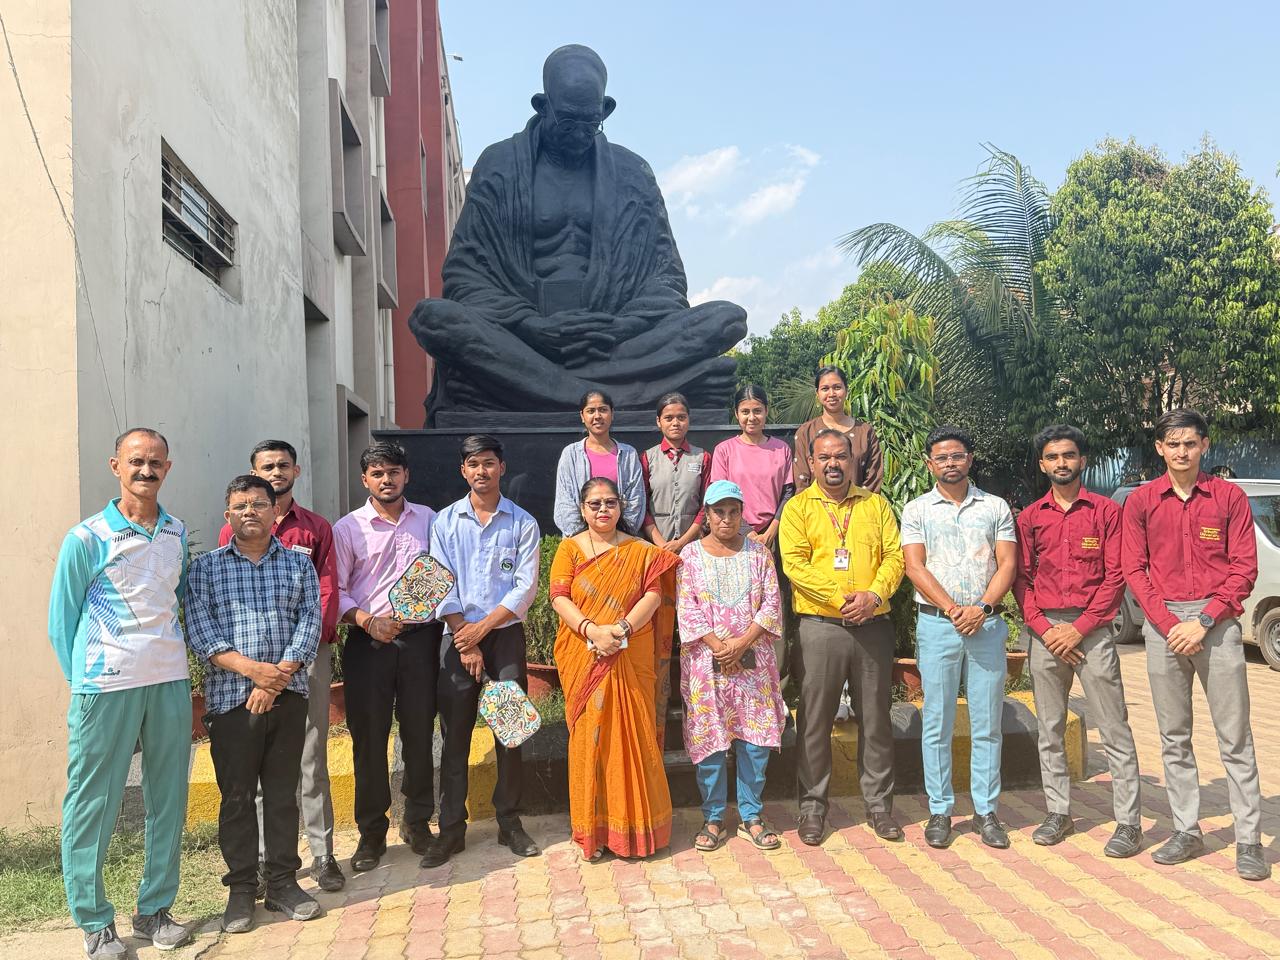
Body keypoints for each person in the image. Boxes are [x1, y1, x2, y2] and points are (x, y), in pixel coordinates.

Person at [407, 43, 746, 418]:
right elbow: (464, 275)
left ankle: (540, 390)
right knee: (433, 318)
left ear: (605, 109)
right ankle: (611, 397)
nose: (579, 134)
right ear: (541, 105)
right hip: (524, 337)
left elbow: (666, 279)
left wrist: (617, 328)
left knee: (728, 318)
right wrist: (532, 325)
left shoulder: (633, 173)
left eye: (591, 123)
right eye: (568, 122)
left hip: (614, 341)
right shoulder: (499, 165)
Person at [48, 428, 193, 958]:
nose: (146, 470)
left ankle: (155, 910)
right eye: (136, 461)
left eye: (156, 462)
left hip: (169, 681)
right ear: (116, 466)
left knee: (169, 799)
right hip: (105, 687)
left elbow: (172, 600)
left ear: (167, 468)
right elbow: (61, 622)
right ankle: (94, 921)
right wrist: (84, 681)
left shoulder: (177, 532)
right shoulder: (85, 538)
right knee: (93, 802)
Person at [1121, 408, 1267, 881]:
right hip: (1164, 625)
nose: (1181, 451)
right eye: (1172, 443)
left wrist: (1202, 621)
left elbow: (1244, 567)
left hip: (1217, 623)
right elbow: (1134, 569)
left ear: (1204, 445)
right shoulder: (1142, 501)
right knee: (1174, 735)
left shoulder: (1228, 498)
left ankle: (1248, 840)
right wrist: (1167, 623)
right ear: (1159, 448)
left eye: (1190, 443)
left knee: (1235, 736)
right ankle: (1187, 829)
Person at [186, 475, 322, 933]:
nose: (250, 511)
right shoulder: (205, 569)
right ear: (228, 514)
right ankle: (242, 889)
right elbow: (201, 633)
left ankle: (283, 881)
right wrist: (253, 672)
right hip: (229, 702)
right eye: (240, 505)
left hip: (286, 697)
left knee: (282, 795)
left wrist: (274, 679)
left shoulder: (298, 565)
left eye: (259, 504)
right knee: (238, 798)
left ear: (273, 511)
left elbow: (309, 622)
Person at [216, 440, 344, 894]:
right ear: (254, 471)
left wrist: (292, 662)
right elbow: (227, 601)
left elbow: (326, 592)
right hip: (249, 668)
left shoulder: (315, 528)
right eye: (266, 466)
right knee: (254, 764)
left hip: (305, 655)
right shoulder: (234, 529)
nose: (275, 471)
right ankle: (268, 862)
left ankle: (324, 855)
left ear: (296, 470)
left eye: (282, 465)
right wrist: (258, 672)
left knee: (311, 758)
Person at [1013, 425, 1142, 857]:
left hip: (1094, 632)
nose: (1061, 463)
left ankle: (1128, 822)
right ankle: (1058, 812)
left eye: (1069, 455)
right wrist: (1047, 629)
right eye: (1052, 457)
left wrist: (1081, 627)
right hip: (1045, 633)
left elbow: (1116, 574)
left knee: (1114, 726)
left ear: (1082, 461)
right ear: (1042, 465)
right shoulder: (1030, 518)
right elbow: (1021, 579)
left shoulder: (1106, 512)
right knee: (1049, 727)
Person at [779, 430, 905, 845]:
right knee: (814, 721)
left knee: (876, 719)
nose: (833, 464)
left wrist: (874, 595)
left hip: (873, 625)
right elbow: (796, 565)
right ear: (811, 463)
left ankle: (879, 808)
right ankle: (813, 808)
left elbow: (895, 556)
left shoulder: (877, 505)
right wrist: (840, 599)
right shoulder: (798, 508)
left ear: (853, 461)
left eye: (841, 457)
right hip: (821, 627)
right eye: (824, 457)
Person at [424, 435, 542, 867]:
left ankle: (510, 821)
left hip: (504, 637)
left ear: (502, 467)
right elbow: (439, 579)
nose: (481, 471)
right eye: (473, 464)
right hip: (456, 638)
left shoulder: (522, 523)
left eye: (488, 463)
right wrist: (464, 636)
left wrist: (480, 632)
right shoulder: (445, 522)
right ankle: (451, 828)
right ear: (463, 471)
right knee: (454, 734)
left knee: (510, 734)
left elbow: (523, 589)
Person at [550, 477, 680, 860]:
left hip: (630, 650)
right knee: (591, 738)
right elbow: (559, 597)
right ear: (582, 508)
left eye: (609, 502)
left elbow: (654, 595)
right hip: (585, 652)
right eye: (594, 504)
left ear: (621, 507)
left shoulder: (641, 551)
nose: (603, 510)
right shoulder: (570, 549)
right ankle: (594, 831)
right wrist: (592, 630)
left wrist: (620, 630)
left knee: (633, 736)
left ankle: (638, 831)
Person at [900, 426, 1018, 850]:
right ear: (930, 464)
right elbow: (915, 566)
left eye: (957, 455)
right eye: (941, 457)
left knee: (987, 724)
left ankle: (987, 811)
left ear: (970, 459)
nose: (950, 463)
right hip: (938, 624)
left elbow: (1007, 563)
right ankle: (940, 809)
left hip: (985, 626)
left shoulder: (996, 507)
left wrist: (982, 609)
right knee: (937, 723)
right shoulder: (917, 510)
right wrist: (953, 609)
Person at [332, 441, 441, 873]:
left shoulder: (431, 521)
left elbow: (441, 573)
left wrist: (414, 611)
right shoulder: (348, 529)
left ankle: (417, 823)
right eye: (377, 473)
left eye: (393, 472)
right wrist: (368, 620)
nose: (386, 480)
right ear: (365, 480)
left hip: (420, 641)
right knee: (369, 740)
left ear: (406, 475)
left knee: (418, 734)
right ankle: (371, 833)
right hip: (368, 644)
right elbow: (336, 591)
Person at [678, 481, 787, 851]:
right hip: (706, 667)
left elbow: (771, 605)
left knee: (754, 741)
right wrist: (717, 646)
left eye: (733, 511)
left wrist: (741, 643)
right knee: (710, 741)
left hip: (753, 663)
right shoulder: (690, 556)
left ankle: (751, 816)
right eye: (718, 512)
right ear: (706, 516)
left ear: (742, 514)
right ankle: (712, 818)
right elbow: (687, 608)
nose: (726, 519)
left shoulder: (759, 555)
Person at [640, 391, 712, 746]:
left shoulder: (702, 457)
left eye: (681, 417)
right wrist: (657, 541)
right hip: (656, 552)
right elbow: (643, 506)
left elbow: (705, 507)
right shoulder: (648, 458)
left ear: (689, 420)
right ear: (658, 422)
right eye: (668, 417)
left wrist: (684, 541)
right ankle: (660, 701)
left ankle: (696, 699)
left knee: (695, 623)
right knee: (659, 626)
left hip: (692, 550)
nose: (675, 423)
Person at [709, 385, 794, 549]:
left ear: (766, 411)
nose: (752, 417)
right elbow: (720, 495)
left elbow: (788, 493)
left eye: (757, 411)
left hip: (774, 534)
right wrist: (746, 530)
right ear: (736, 413)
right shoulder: (724, 450)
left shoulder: (782, 449)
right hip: (734, 532)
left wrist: (772, 530)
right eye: (745, 412)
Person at [553, 389, 646, 537]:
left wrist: (618, 536)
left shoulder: (629, 455)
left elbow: (635, 502)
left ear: (612, 414)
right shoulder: (570, 455)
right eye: (591, 411)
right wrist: (586, 539)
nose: (597, 416)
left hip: (620, 543)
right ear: (582, 416)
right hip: (580, 543)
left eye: (603, 410)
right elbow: (565, 503)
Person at [792, 365, 884, 493]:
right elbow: (801, 480)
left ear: (846, 390)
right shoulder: (806, 432)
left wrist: (861, 507)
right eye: (825, 389)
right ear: (817, 393)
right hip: (814, 510)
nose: (831, 394)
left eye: (837, 387)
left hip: (860, 508)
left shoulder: (865, 432)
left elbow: (873, 479)